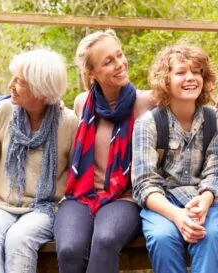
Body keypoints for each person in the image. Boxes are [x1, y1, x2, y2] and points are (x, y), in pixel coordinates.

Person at [53, 29, 155, 273]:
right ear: (91, 74)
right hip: (82, 194)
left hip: (125, 196)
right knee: (69, 249)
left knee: (105, 240)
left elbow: (189, 104)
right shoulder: (81, 104)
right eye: (108, 61)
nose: (120, 64)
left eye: (119, 55)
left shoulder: (147, 102)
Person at [0, 49, 78, 273]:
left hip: (45, 207)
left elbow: (75, 175)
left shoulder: (68, 122)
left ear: (40, 90)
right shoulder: (3, 111)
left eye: (19, 81)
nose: (11, 84)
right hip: (3, 204)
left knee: (18, 240)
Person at [132, 44, 218, 273]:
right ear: (165, 80)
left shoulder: (213, 120)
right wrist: (176, 216)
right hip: (163, 202)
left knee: (211, 234)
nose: (190, 78)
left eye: (196, 72)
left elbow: (215, 171)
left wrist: (204, 202)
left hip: (202, 199)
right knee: (162, 238)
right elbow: (144, 182)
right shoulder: (149, 123)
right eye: (181, 72)